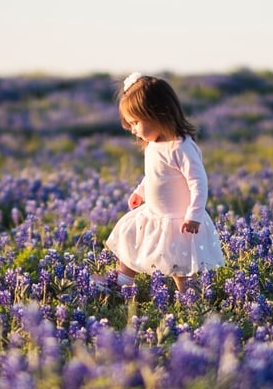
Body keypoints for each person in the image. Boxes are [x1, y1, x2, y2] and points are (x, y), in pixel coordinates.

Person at [96, 72, 225, 294]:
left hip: (177, 221)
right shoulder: (154, 144)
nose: (132, 129)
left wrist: (194, 214)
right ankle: (123, 282)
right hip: (153, 214)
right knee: (130, 242)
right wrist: (141, 191)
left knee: (179, 265)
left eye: (136, 122)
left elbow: (198, 183)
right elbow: (155, 175)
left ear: (158, 114)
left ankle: (188, 297)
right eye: (130, 123)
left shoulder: (181, 147)